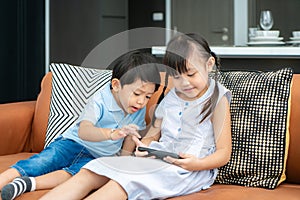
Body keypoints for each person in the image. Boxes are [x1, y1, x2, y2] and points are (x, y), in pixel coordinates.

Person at [40, 33, 232, 200]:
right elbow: (152, 135)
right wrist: (145, 146)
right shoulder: (170, 98)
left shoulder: (217, 100)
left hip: (189, 170)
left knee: (120, 183)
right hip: (158, 158)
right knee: (90, 171)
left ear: (209, 64)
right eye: (177, 77)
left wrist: (197, 164)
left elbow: (224, 153)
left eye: (191, 74)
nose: (185, 83)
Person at [0, 50, 161, 200]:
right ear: (116, 85)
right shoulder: (100, 100)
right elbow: (85, 131)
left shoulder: (138, 108)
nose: (141, 101)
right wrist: (112, 134)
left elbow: (131, 137)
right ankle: (6, 177)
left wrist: (123, 162)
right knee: (43, 161)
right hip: (73, 143)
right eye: (137, 93)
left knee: (75, 175)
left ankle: (27, 184)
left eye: (148, 96)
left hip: (98, 156)